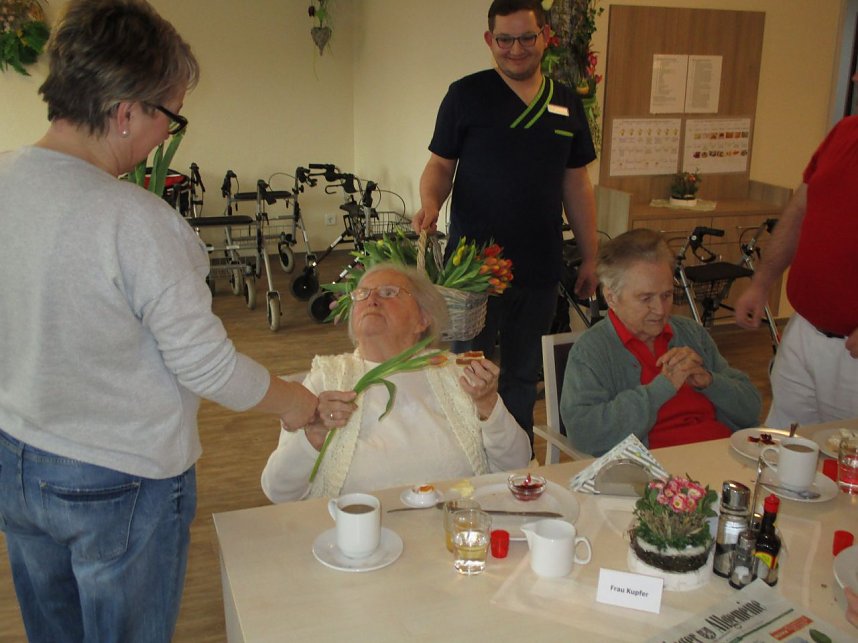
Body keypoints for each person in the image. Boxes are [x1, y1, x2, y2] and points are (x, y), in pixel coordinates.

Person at [0, 2, 319, 641]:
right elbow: (207, 366)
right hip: (119, 478)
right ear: (126, 112)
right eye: (169, 116)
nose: (166, 136)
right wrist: (296, 403)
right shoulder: (137, 221)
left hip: (16, 457)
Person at [412, 0, 599, 447]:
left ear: (545, 37)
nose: (516, 49)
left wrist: (591, 256)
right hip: (472, 270)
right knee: (468, 370)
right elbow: (440, 166)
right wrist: (430, 204)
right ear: (489, 40)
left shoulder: (566, 102)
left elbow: (576, 184)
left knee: (521, 375)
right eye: (505, 39)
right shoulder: (466, 95)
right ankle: (464, 454)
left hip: (538, 266)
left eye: (526, 37)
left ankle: (515, 459)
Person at [261, 264, 531, 502]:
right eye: (362, 294)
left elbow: (517, 465)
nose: (371, 300)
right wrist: (314, 434)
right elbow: (278, 491)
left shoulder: (455, 373)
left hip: (452, 530)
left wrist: (488, 405)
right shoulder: (326, 379)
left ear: (423, 319)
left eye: (388, 292)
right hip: (359, 537)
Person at [560, 229, 761, 456]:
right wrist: (661, 388)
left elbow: (752, 409)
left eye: (666, 295)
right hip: (655, 469)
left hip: (722, 455)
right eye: (646, 298)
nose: (660, 309)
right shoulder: (592, 350)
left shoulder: (691, 333)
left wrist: (710, 381)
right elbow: (585, 433)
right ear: (612, 297)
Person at [734, 85, 858, 427]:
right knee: (781, 442)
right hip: (804, 329)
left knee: (844, 452)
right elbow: (798, 213)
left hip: (851, 350)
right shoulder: (845, 132)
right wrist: (761, 283)